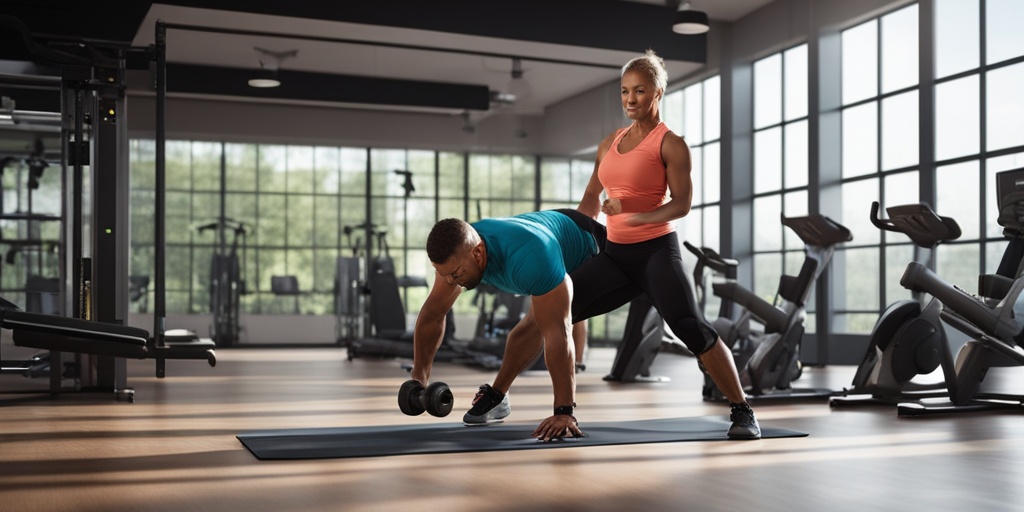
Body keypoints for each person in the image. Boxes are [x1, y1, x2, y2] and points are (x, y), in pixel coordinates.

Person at [571, 49, 760, 439]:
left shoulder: (671, 144)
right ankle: (504, 395)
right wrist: (569, 236)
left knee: (692, 329)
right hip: (614, 254)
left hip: (655, 251)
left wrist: (640, 215)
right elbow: (591, 198)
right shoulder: (609, 144)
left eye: (639, 91)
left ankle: (742, 410)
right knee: (553, 310)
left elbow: (682, 203)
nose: (630, 100)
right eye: (624, 92)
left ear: (657, 93)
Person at [410, 209, 605, 442]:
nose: (450, 281)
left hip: (594, 250)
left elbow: (559, 332)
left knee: (541, 323)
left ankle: (502, 395)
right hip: (549, 232)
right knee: (531, 325)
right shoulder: (460, 249)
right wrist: (418, 379)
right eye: (443, 275)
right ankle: (498, 397)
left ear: (478, 253)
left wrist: (564, 413)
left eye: (455, 274)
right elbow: (433, 314)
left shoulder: (531, 258)